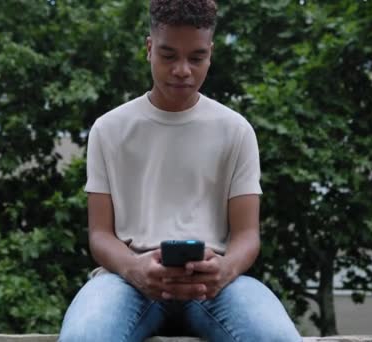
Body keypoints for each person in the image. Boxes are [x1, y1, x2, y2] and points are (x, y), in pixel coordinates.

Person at [58, 0, 301, 341]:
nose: (182, 70)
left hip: (214, 282)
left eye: (196, 57)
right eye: (169, 55)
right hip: (128, 281)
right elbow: (100, 235)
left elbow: (247, 236)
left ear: (211, 53)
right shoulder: (109, 129)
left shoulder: (236, 130)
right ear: (149, 48)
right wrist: (135, 268)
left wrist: (224, 269)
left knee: (278, 338)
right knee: (85, 336)